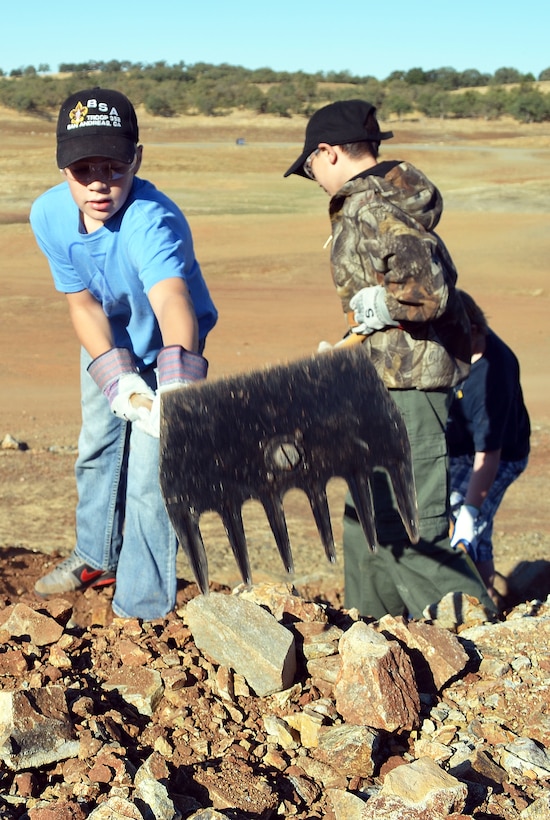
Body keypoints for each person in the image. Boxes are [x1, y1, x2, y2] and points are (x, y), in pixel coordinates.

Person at [284, 99, 496, 620]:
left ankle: (486, 640)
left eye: (310, 164)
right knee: (366, 522)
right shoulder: (374, 203)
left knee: (410, 525)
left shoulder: (375, 207)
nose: (312, 175)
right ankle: (372, 630)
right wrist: (352, 338)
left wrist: (383, 304)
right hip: (378, 384)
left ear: (329, 153)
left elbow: (429, 292)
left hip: (409, 392)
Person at [30, 87, 218, 620]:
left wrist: (174, 391)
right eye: (82, 167)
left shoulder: (151, 222)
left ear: (137, 156)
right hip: (107, 342)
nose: (97, 182)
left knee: (150, 479)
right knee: (96, 448)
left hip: (170, 351)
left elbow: (173, 303)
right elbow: (82, 304)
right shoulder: (49, 215)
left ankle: (140, 605)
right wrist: (116, 381)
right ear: (62, 166)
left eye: (112, 166)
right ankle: (94, 556)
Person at [447, 290, 530, 604]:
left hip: (501, 455)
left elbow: (489, 455)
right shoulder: (454, 347)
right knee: (443, 509)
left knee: (472, 523)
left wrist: (470, 512)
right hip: (460, 448)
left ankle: (481, 601)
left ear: (475, 330)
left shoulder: (492, 377)